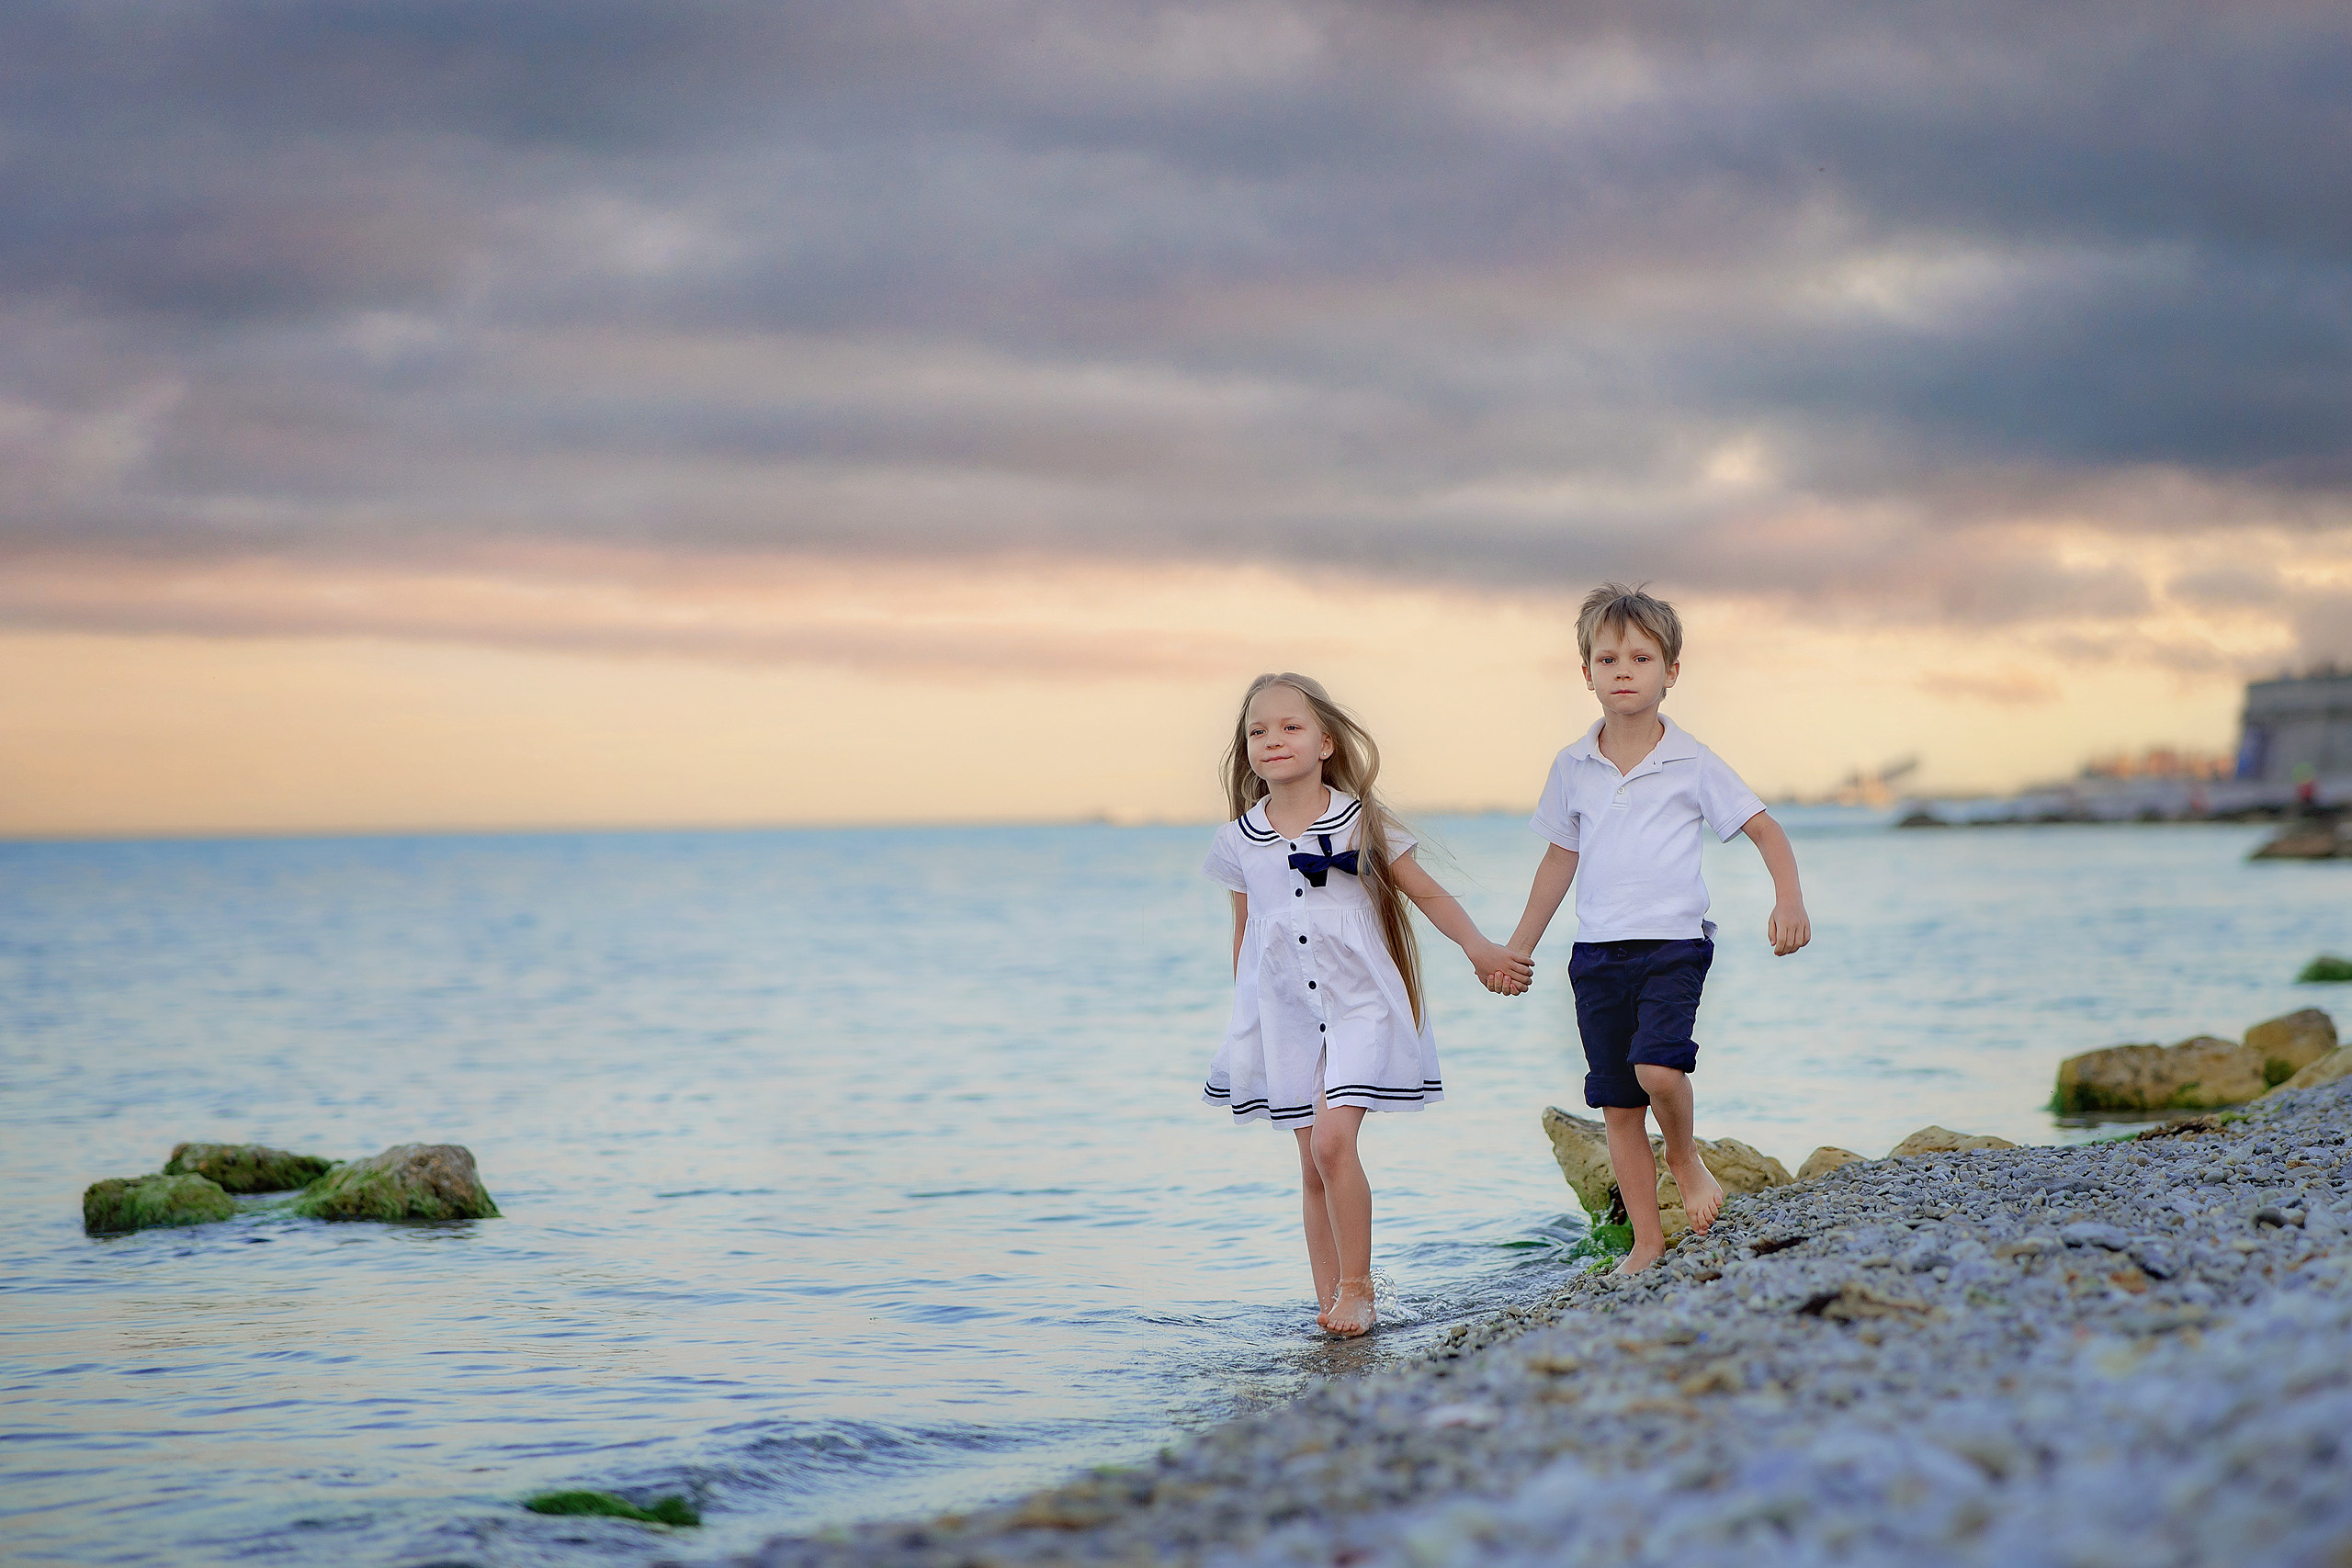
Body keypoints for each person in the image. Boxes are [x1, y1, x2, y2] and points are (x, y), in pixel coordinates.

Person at [1201, 672, 1531, 1336]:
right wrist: (1249, 1024)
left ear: (1325, 742)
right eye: (1258, 730)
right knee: (1310, 1161)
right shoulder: (1238, 840)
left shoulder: (1360, 822)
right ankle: (1329, 1299)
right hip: (1286, 1013)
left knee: (1332, 1140)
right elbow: (1247, 934)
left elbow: (1425, 892)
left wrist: (1481, 949)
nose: (1273, 740)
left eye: (1290, 727)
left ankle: (1360, 1289)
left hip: (1360, 1004)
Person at [1494, 585, 1810, 1276]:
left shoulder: (1693, 760)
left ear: (1672, 670)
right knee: (1617, 1103)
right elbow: (1558, 859)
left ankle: (1687, 1157)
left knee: (1658, 1069)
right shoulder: (1573, 765)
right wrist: (1520, 944)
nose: (1624, 669)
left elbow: (1765, 828)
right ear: (1587, 674)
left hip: (1673, 944)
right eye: (1607, 658)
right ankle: (1647, 1242)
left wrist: (1788, 898)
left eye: (1641, 656)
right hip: (1596, 953)